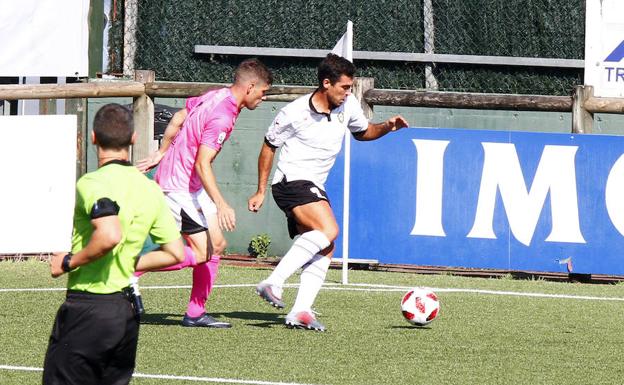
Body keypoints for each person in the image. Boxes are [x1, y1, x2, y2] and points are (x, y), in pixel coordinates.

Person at [248, 53, 408, 332]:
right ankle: (273, 281)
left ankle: (300, 311)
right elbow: (268, 147)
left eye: (350, 87)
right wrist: (260, 190)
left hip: (313, 186)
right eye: (344, 87)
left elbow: (363, 132)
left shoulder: (348, 107)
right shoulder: (294, 112)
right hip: (290, 182)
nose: (348, 93)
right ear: (326, 83)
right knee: (329, 229)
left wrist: (387, 127)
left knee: (326, 245)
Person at [43, 103, 185, 385]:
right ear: (133, 140)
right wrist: (128, 260)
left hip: (88, 308)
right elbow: (175, 252)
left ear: (93, 138)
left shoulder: (91, 182)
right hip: (125, 314)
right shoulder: (149, 187)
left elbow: (109, 235)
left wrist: (70, 261)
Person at [135, 58, 273, 328]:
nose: (263, 98)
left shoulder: (216, 95)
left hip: (192, 184)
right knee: (200, 253)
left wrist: (162, 151)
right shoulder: (223, 116)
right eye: (263, 92)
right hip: (179, 186)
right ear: (251, 86)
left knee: (217, 245)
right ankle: (129, 269)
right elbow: (202, 162)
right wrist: (222, 204)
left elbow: (178, 118)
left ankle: (196, 312)